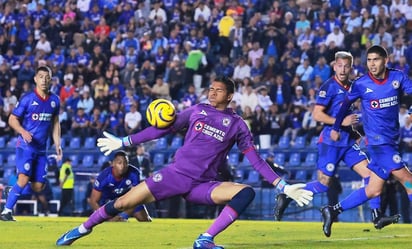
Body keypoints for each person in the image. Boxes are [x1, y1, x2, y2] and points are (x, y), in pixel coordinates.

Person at [56, 76, 313, 248]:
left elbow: (255, 160)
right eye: (210, 88)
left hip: (204, 185)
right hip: (176, 175)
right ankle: (82, 228)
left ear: (231, 96)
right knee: (123, 203)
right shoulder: (197, 110)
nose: (212, 92)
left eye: (219, 90)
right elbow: (162, 129)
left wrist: (282, 186)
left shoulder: (237, 125)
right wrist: (125, 141)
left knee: (245, 193)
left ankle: (205, 239)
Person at [274, 51, 400, 229]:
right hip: (330, 143)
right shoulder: (328, 87)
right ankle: (287, 195)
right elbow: (317, 114)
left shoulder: (353, 86)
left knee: (372, 175)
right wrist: (341, 122)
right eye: (339, 65)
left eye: (346, 66)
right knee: (323, 185)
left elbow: (347, 114)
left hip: (347, 142)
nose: (343, 69)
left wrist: (354, 132)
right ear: (334, 67)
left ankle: (376, 215)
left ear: (351, 68)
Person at [323, 45, 412, 237]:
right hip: (379, 144)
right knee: (409, 180)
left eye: (376, 60)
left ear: (385, 60)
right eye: (369, 60)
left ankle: (332, 210)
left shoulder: (398, 78)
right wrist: (337, 128)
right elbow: (344, 105)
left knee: (372, 190)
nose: (372, 64)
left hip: (391, 140)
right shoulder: (361, 84)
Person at [0, 66, 62, 221]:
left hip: (42, 149)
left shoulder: (55, 100)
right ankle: (6, 211)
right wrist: (23, 131)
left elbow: (55, 122)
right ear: (35, 79)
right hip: (25, 146)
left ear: (51, 80)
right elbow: (12, 119)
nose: (44, 80)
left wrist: (58, 144)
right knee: (23, 178)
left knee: (38, 187)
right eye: (41, 76)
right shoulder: (28, 98)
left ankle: (11, 191)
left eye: (47, 77)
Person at [88, 150, 151, 222]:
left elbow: (135, 197)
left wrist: (123, 216)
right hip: (107, 202)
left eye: (125, 163)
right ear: (113, 164)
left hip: (125, 200)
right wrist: (104, 217)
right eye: (119, 163)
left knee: (145, 219)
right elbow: (93, 200)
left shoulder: (134, 173)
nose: (123, 166)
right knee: (106, 221)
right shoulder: (104, 176)